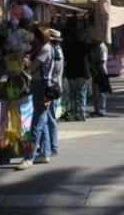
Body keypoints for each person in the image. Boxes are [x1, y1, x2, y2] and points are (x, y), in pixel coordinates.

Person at [17, 26, 54, 170]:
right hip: (42, 85)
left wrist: (25, 64)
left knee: (37, 122)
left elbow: (32, 68)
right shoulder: (44, 48)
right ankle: (45, 153)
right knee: (42, 120)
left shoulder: (45, 49)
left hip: (42, 86)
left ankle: (29, 157)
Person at [41, 29, 63, 157]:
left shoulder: (54, 52)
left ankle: (53, 146)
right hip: (55, 86)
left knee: (50, 117)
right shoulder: (58, 51)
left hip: (52, 87)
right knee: (50, 116)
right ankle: (51, 146)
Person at [63, 21, 90, 121]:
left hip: (71, 73)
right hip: (81, 73)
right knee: (81, 93)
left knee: (72, 94)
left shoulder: (67, 46)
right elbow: (91, 47)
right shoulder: (83, 46)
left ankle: (73, 112)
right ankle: (82, 112)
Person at [90, 40, 109, 117]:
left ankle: (101, 111)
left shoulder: (101, 47)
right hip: (97, 71)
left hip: (101, 71)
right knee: (96, 92)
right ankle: (97, 110)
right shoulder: (96, 46)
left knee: (100, 92)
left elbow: (102, 60)